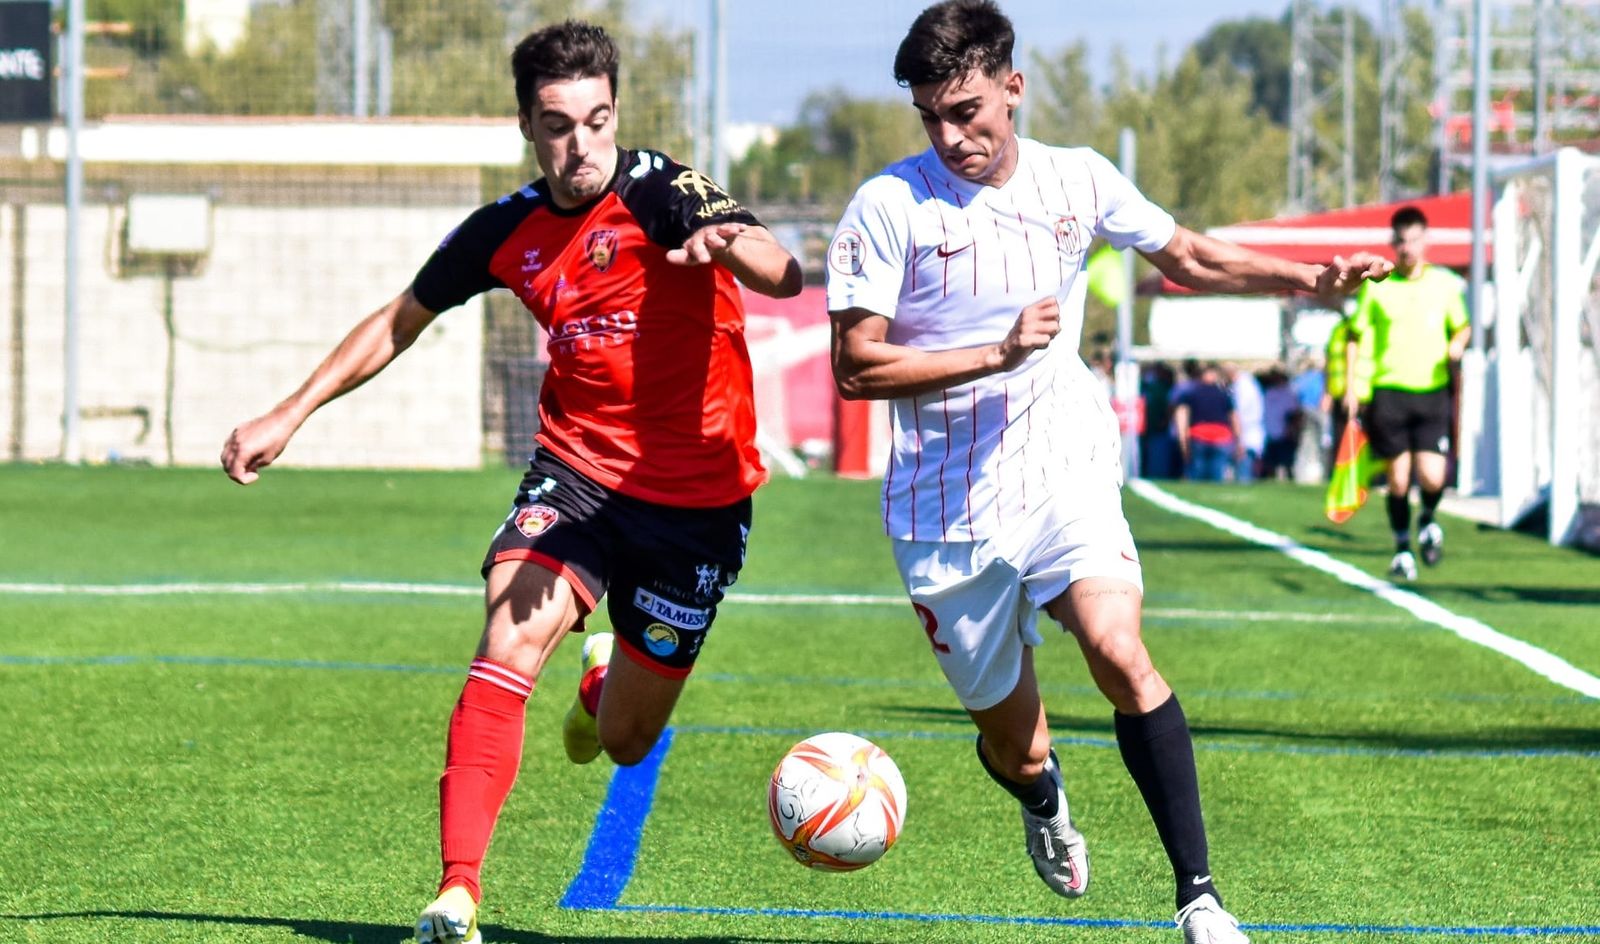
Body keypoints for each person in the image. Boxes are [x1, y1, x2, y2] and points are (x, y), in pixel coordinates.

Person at [219, 20, 801, 944]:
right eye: (560, 124)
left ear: (617, 114)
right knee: (509, 628)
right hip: (576, 473)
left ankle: (600, 683)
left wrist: (729, 250)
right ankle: (457, 892)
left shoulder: (664, 191)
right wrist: (289, 412)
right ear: (528, 125)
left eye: (599, 121)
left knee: (624, 742)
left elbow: (779, 265)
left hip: (697, 503)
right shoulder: (507, 229)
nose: (583, 146)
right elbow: (399, 320)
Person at [823, 2, 1389, 940]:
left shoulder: (1076, 180)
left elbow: (1191, 258)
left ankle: (1199, 898)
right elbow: (855, 367)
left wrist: (1307, 279)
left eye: (966, 109)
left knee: (1119, 652)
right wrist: (992, 355)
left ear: (1014, 87)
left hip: (1062, 466)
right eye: (931, 116)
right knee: (1017, 745)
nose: (950, 134)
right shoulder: (889, 206)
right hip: (941, 512)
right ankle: (1041, 796)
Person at [1343, 205, 1470, 581]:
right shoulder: (1377, 289)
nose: (1407, 248)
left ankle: (1427, 519)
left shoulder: (1445, 284)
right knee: (1398, 480)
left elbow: (1461, 327)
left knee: (1432, 476)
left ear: (1425, 240)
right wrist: (1352, 385)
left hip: (1432, 393)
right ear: (1393, 243)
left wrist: (1457, 346)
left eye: (1414, 240)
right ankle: (1402, 548)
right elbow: (1355, 335)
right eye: (1401, 241)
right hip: (1388, 392)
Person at [1172, 364, 1240, 482]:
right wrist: (1238, 439)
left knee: (1197, 474)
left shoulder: (1191, 393)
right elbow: (1234, 417)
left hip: (1199, 436)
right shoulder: (1224, 394)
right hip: (1221, 437)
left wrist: (1182, 438)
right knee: (1217, 475)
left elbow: (1182, 415)